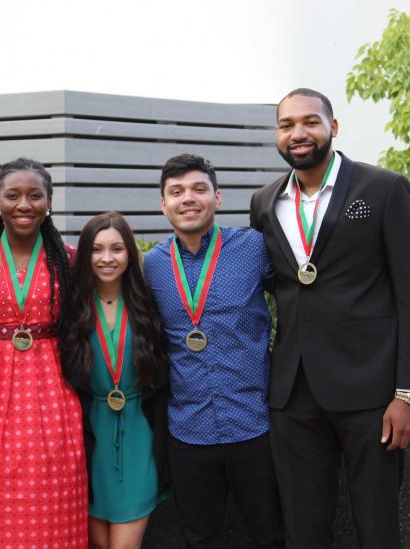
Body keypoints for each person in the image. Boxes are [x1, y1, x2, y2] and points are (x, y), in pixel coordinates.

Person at [250, 88, 410, 549]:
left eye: (310, 121)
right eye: (287, 125)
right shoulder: (265, 202)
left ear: (333, 127)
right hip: (294, 393)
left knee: (377, 526)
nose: (298, 133)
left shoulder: (384, 188)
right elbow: (277, 286)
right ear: (277, 134)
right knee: (304, 529)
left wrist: (408, 394)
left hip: (371, 392)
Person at [143, 154, 284, 548]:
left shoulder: (254, 247)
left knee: (270, 536)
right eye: (177, 192)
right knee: (199, 539)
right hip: (188, 431)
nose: (188, 198)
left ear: (217, 198)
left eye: (199, 189)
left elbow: (299, 301)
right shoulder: (152, 265)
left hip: (255, 424)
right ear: (163, 204)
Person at [0, 157, 87, 547]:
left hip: (53, 397)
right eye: (12, 195)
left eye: (35, 195)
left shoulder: (67, 257)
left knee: (57, 502)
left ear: (48, 201)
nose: (24, 205)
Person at [61, 212, 169, 548]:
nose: (107, 258)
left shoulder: (148, 304)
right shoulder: (73, 307)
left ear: (130, 254)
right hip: (90, 438)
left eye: (117, 249)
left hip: (139, 433)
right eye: (97, 249)